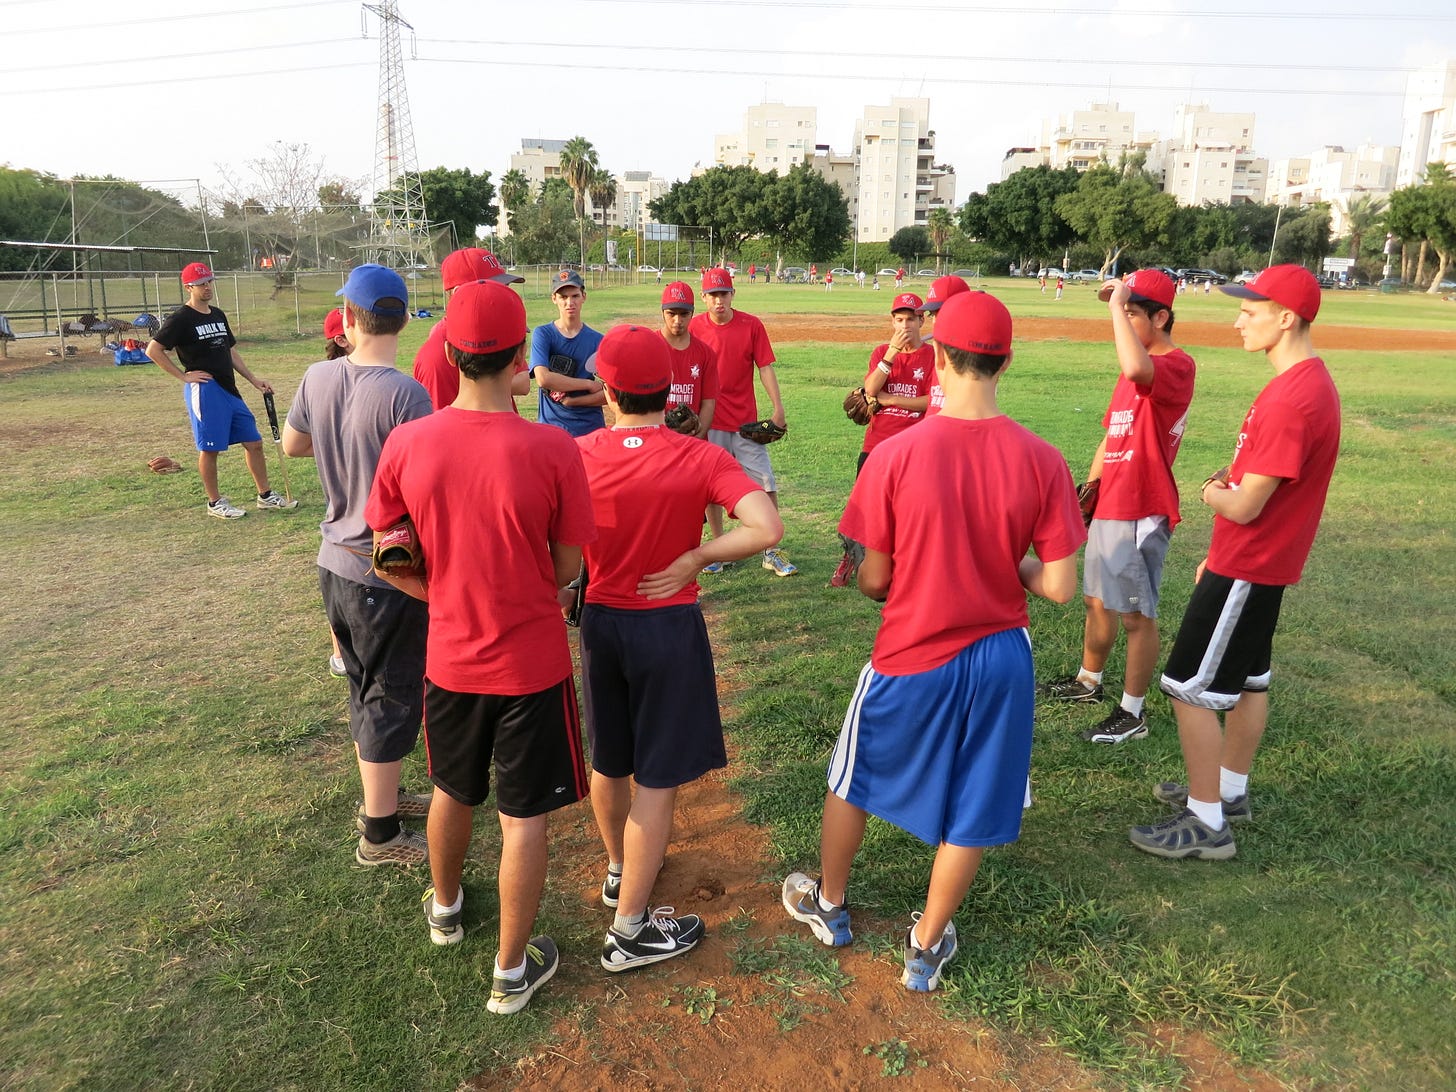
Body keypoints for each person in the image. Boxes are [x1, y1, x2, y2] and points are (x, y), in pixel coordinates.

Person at [780, 290, 1084, 992]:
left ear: (939, 356)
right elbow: (1062, 585)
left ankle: (829, 903)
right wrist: (998, 559)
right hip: (1003, 654)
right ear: (1005, 361)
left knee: (851, 776)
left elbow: (874, 579)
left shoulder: (898, 454)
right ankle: (924, 944)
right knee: (977, 800)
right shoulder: (1042, 457)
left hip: (913, 647)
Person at [366, 279, 597, 1014]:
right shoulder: (552, 449)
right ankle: (509, 971)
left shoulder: (409, 441)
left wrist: (442, 594)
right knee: (522, 818)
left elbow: (388, 553)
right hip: (530, 661)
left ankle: (445, 908)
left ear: (454, 355)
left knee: (451, 789)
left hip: (450, 659)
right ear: (515, 365)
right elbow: (567, 568)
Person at [576, 325, 782, 972]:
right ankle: (630, 930)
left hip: (601, 623)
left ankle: (619, 869)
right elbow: (765, 527)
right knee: (657, 779)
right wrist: (697, 553)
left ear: (606, 391)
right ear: (670, 390)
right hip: (665, 628)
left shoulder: (576, 454)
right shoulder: (699, 456)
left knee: (611, 762)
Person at [1129, 265, 1340, 860]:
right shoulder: (1306, 383)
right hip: (1258, 565)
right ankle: (1228, 790)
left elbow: (1245, 504)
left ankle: (1206, 822)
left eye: (1250, 311)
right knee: (1249, 681)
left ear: (1286, 317)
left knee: (1187, 689)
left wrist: (1208, 493)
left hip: (1249, 564)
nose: (1239, 320)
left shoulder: (1293, 398)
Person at [283, 265, 434, 867]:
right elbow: (426, 491)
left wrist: (344, 436)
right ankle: (380, 833)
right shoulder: (405, 394)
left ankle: (385, 797)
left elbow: (294, 445)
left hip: (333, 565)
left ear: (348, 320)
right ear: (402, 321)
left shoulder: (319, 374)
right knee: (390, 696)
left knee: (362, 683)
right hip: (384, 569)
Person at [1040, 269, 1196, 745]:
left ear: (1161, 316)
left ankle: (1133, 711)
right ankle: (1089, 680)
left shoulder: (1175, 365)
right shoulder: (1134, 366)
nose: (1124, 320)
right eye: (1123, 311)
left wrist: (1115, 306)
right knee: (1096, 599)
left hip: (1140, 507)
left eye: (1132, 312)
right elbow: (1113, 433)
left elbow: (1136, 370)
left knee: (1135, 614)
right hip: (1112, 501)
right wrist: (1089, 488)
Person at [145, 262, 297, 519]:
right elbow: (153, 350)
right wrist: (183, 376)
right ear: (188, 287)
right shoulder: (180, 319)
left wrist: (253, 380)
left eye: (209, 282)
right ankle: (215, 502)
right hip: (206, 390)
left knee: (254, 442)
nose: (206, 287)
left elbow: (230, 350)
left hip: (229, 389)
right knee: (210, 448)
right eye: (201, 283)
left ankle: (265, 496)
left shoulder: (217, 314)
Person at [689, 268, 797, 576]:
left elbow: (765, 368)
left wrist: (778, 408)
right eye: (712, 295)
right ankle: (719, 549)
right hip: (709, 421)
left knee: (765, 483)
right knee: (710, 489)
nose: (718, 301)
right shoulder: (694, 327)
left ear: (732, 294)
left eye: (723, 294)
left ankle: (771, 550)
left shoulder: (751, 325)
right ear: (704, 298)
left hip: (745, 422)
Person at [830, 292, 935, 588]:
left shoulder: (931, 356)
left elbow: (931, 401)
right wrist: (891, 353)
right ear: (892, 321)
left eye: (911, 320)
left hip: (915, 446)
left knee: (908, 511)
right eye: (899, 320)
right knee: (864, 509)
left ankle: (902, 565)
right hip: (876, 445)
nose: (905, 327)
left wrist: (889, 399)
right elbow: (870, 388)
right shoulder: (881, 352)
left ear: (921, 320)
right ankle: (852, 557)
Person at [413, 247, 527, 412]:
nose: (505, 294)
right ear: (459, 292)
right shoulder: (435, 357)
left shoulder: (497, 329)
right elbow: (441, 428)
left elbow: (523, 383)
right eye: (497, 287)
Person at [531, 269, 607, 437]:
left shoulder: (598, 341)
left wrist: (575, 401)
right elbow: (543, 379)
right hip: (552, 429)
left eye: (574, 296)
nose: (569, 302)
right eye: (563, 297)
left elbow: (613, 393)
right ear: (554, 299)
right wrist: (587, 384)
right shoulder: (544, 334)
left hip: (590, 430)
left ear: (584, 297)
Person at [321, 307, 351, 678]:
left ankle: (342, 654)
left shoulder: (319, 377)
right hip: (348, 486)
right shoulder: (330, 377)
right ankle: (341, 653)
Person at [659, 282, 717, 439]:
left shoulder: (705, 353)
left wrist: (696, 439)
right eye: (671, 313)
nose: (677, 320)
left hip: (693, 442)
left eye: (684, 314)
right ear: (662, 312)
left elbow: (708, 403)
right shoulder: (650, 347)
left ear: (692, 313)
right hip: (658, 441)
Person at [920, 274, 971, 417]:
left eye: (941, 313)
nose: (935, 321)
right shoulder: (941, 349)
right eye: (932, 314)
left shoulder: (972, 356)